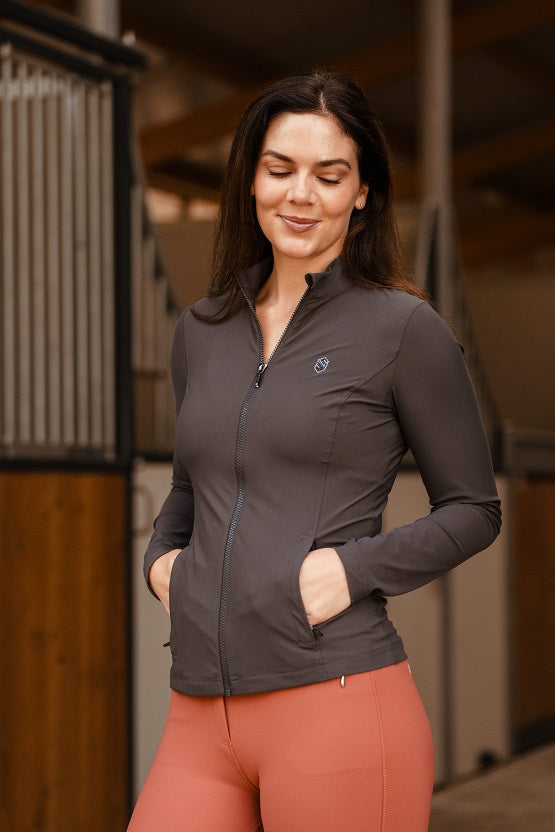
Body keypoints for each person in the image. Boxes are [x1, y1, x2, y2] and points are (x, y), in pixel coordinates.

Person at [127, 71, 501, 832]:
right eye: (279, 170)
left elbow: (473, 509)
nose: (300, 195)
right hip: (200, 713)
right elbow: (192, 486)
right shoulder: (201, 329)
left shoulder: (401, 329)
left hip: (336, 703)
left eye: (329, 175)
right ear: (250, 179)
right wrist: (163, 564)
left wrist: (348, 569)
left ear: (362, 191)